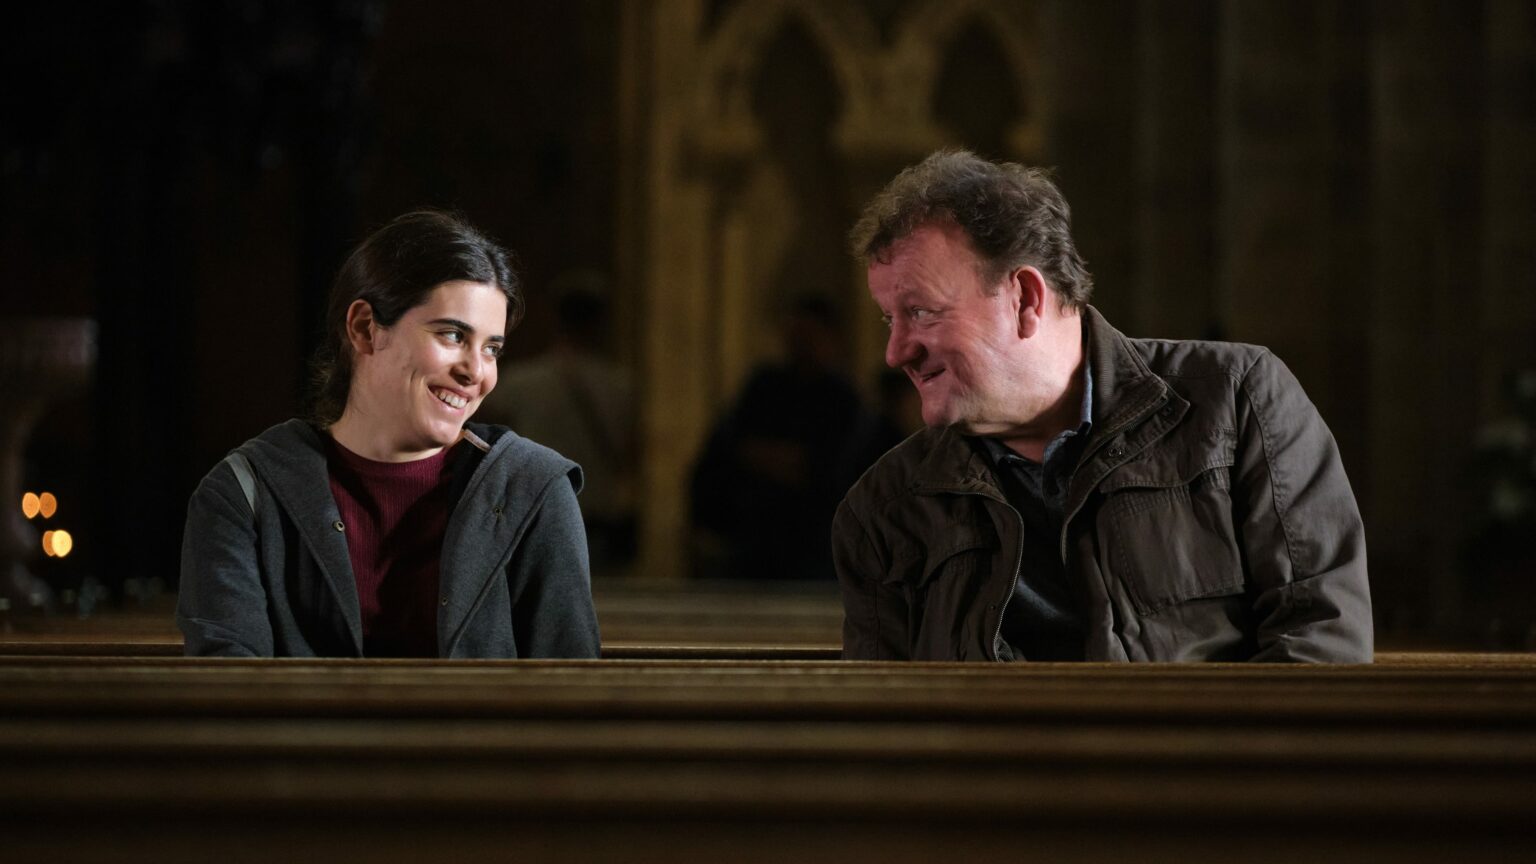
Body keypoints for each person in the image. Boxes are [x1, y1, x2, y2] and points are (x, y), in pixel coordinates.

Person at [833, 150, 1372, 662]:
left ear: (1025, 299)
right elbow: (889, 715)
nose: (895, 352)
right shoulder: (882, 510)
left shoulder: (1236, 401)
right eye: (891, 318)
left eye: (922, 312)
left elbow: (1318, 644)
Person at [177, 210, 601, 658]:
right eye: (452, 335)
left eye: (491, 348)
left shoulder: (533, 489)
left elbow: (571, 684)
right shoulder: (244, 493)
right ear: (364, 328)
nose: (476, 372)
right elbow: (229, 685)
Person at [477, 273, 637, 575]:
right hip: (596, 510)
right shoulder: (619, 386)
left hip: (533, 506)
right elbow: (630, 452)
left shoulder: (521, 382)